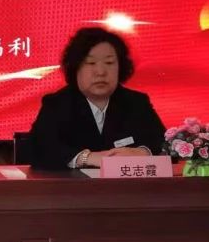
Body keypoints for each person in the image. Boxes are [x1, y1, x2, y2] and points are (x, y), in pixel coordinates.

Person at [28, 27, 166, 170]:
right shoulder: (57, 104)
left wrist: (144, 152)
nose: (100, 72)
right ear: (75, 68)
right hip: (74, 184)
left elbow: (163, 142)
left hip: (126, 183)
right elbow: (38, 149)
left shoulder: (137, 102)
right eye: (90, 63)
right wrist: (86, 158)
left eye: (109, 63)